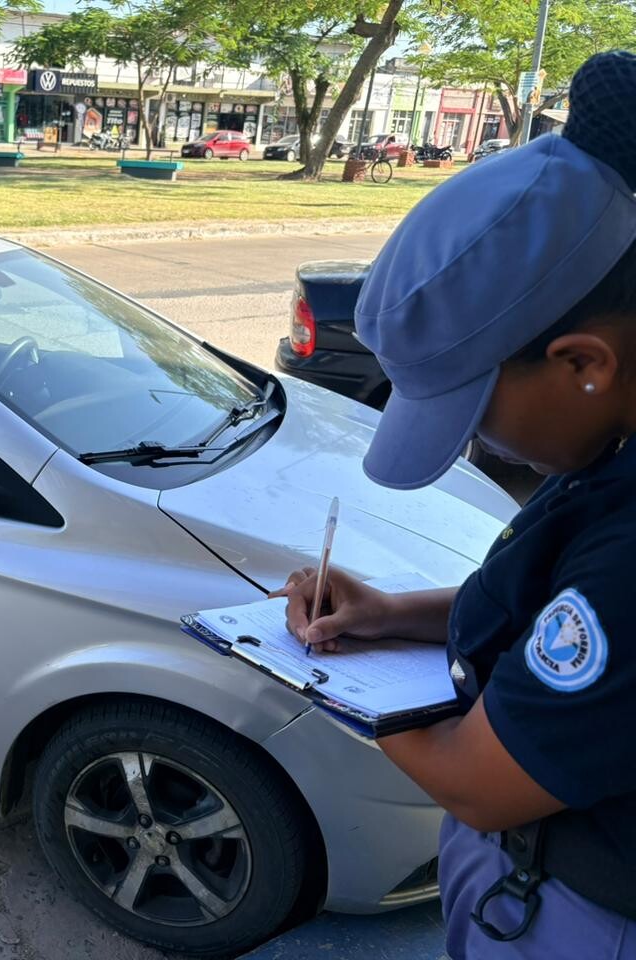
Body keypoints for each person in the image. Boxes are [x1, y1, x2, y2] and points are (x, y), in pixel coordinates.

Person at [276, 50, 636, 958]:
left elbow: (481, 785)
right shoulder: (614, 445)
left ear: (584, 363)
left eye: (477, 412)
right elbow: (560, 619)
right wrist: (393, 615)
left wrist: (320, 680)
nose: (484, 447)